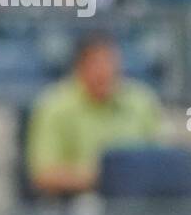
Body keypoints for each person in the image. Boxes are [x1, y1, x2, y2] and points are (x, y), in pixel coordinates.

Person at [26, 32, 162, 197]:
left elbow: (162, 157)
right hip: (78, 202)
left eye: (111, 63)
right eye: (97, 63)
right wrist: (106, 177)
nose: (106, 71)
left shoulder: (141, 101)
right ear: (79, 67)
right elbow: (43, 175)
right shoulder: (54, 106)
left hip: (139, 198)